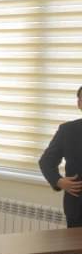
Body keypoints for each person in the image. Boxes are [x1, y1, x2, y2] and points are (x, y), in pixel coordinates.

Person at [39, 85, 82, 228]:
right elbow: (46, 162)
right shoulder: (68, 130)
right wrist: (58, 181)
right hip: (77, 207)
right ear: (79, 103)